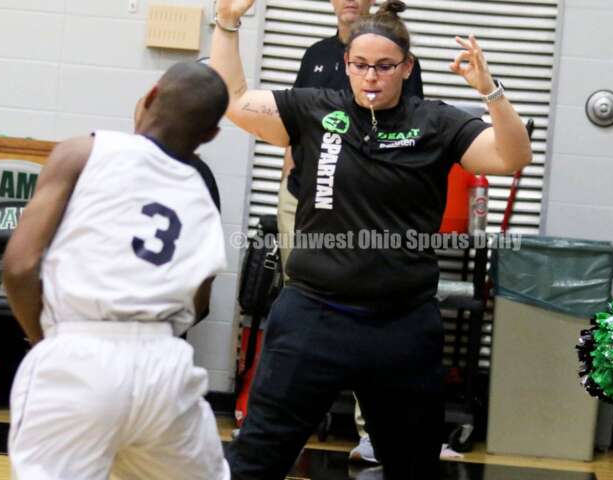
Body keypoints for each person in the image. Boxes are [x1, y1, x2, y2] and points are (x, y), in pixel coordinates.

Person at [210, 0, 531, 478]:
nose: (372, 77)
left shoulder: (437, 123)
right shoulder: (315, 110)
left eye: (384, 66)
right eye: (360, 66)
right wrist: (227, 22)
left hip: (400, 326)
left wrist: (491, 91)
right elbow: (234, 100)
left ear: (406, 67)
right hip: (313, 315)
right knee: (257, 459)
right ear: (347, 66)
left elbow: (511, 156)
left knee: (412, 466)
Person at [2, 61, 231, 480]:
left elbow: (19, 267)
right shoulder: (201, 196)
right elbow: (199, 303)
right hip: (166, 368)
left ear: (148, 96)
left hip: (79, 352)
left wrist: (44, 339)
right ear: (211, 135)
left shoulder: (83, 151)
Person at [277, 0, 425, 464]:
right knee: (297, 302)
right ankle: (292, 424)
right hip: (306, 199)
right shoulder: (316, 54)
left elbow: (413, 129)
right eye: (359, 65)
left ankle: (371, 433)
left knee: (370, 307)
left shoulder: (396, 60)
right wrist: (291, 185)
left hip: (367, 209)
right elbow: (291, 128)